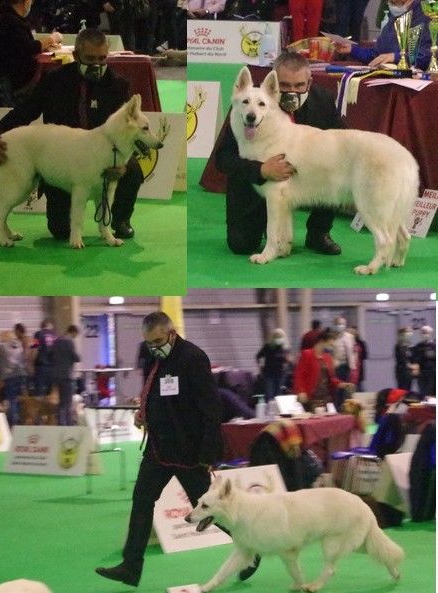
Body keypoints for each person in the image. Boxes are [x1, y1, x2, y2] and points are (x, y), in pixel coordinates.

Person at [95, 311, 222, 587]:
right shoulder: (158, 358)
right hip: (158, 450)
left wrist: (208, 454)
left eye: (157, 341)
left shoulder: (193, 358)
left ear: (172, 333)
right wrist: (144, 413)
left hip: (189, 454)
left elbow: (212, 409)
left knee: (212, 509)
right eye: (149, 343)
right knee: (142, 500)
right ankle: (131, 567)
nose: (153, 347)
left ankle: (253, 547)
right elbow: (161, 396)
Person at [0, 28, 144, 242]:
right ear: (76, 55)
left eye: (102, 58)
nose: (97, 65)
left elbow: (130, 131)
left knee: (133, 170)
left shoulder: (118, 85)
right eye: (90, 59)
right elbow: (25, 111)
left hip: (105, 158)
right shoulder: (54, 80)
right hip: (63, 163)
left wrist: (123, 164)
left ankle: (120, 220)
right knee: (61, 231)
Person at [215, 52, 344, 257]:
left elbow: (343, 143)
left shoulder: (323, 101)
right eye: (284, 85)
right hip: (256, 185)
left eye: (299, 85)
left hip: (308, 180)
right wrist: (261, 169)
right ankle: (269, 229)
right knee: (241, 245)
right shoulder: (247, 106)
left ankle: (318, 233)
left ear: (309, 83)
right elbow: (222, 159)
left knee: (338, 167)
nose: (292, 91)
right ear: (274, 84)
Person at [0, 0, 59, 106]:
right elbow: (29, 48)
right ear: (25, 1)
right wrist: (52, 39)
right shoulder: (12, 22)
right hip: (11, 86)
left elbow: (19, 47)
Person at [334, 0, 431, 70]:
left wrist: (395, 57)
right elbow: (376, 56)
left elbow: (426, 57)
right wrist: (351, 49)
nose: (395, 6)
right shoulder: (394, 19)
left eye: (399, 2)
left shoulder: (426, 17)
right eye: (392, 3)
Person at [293, 328, 354, 411]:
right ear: (322, 341)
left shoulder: (327, 357)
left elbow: (332, 378)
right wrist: (301, 391)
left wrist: (342, 384)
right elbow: (299, 375)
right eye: (331, 343)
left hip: (326, 398)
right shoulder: (307, 354)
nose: (332, 346)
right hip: (311, 398)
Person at [0, 330, 27, 426]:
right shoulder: (19, 345)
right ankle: (22, 422)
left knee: (12, 399)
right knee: (21, 400)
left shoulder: (1, 346)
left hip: (10, 376)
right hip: (22, 375)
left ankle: (13, 424)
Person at [51, 324, 81, 425]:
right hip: (67, 376)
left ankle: (60, 422)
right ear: (73, 332)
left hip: (56, 375)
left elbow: (51, 356)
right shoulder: (69, 342)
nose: (75, 337)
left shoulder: (57, 341)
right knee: (67, 402)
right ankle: (68, 424)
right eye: (75, 335)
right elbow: (75, 357)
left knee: (61, 402)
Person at [255, 328, 290, 400]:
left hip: (280, 374)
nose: (279, 339)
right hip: (269, 374)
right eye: (278, 337)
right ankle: (269, 409)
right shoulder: (267, 347)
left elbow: (286, 360)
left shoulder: (284, 347)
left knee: (278, 395)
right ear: (273, 337)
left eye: (281, 337)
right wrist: (260, 366)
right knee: (269, 394)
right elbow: (258, 356)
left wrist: (287, 361)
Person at [30, 319, 57, 397]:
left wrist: (31, 363)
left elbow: (35, 348)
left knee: (39, 392)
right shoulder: (55, 336)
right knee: (50, 393)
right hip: (53, 368)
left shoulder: (38, 334)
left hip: (41, 367)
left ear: (41, 326)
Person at [412, 325, 436, 398]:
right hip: (422, 373)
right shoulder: (418, 346)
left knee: (433, 391)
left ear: (431, 333)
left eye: (427, 333)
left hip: (433, 372)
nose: (425, 334)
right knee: (423, 391)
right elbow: (414, 360)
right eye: (423, 333)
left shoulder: (434, 345)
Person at [332, 315, 356, 382]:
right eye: (338, 324)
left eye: (342, 324)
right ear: (335, 325)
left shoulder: (350, 336)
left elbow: (352, 352)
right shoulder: (332, 337)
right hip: (334, 365)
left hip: (346, 365)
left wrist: (352, 367)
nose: (340, 326)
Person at [348, 325, 367, 391]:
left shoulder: (361, 343)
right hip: (350, 368)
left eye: (354, 332)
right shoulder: (348, 343)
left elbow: (365, 355)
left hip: (359, 368)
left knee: (359, 386)